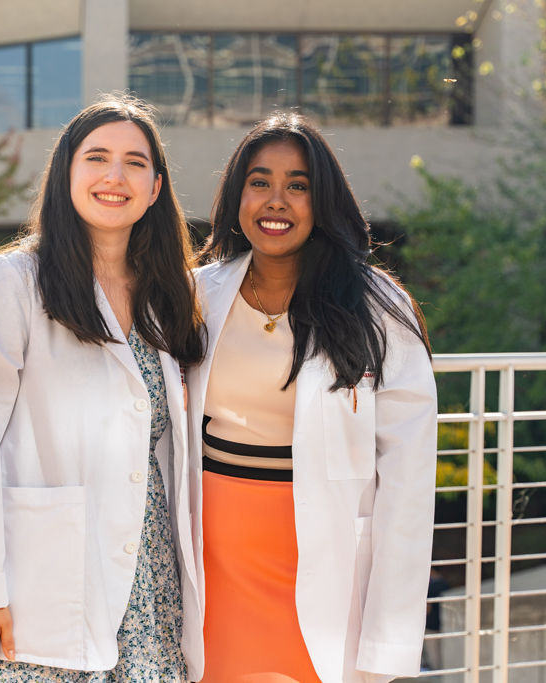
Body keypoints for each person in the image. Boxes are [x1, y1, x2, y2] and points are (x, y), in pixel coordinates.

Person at [0, 94, 206, 683]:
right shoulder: (9, 283)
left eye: (135, 162)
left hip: (151, 579)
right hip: (40, 582)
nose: (114, 176)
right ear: (66, 175)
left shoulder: (169, 294)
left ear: (156, 188)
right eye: (96, 157)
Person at [186, 112, 437, 683]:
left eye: (297, 186)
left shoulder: (378, 305)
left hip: (323, 560)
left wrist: (387, 645)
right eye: (260, 182)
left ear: (322, 201)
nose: (277, 201)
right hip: (212, 562)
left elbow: (409, 480)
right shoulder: (197, 294)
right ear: (236, 195)